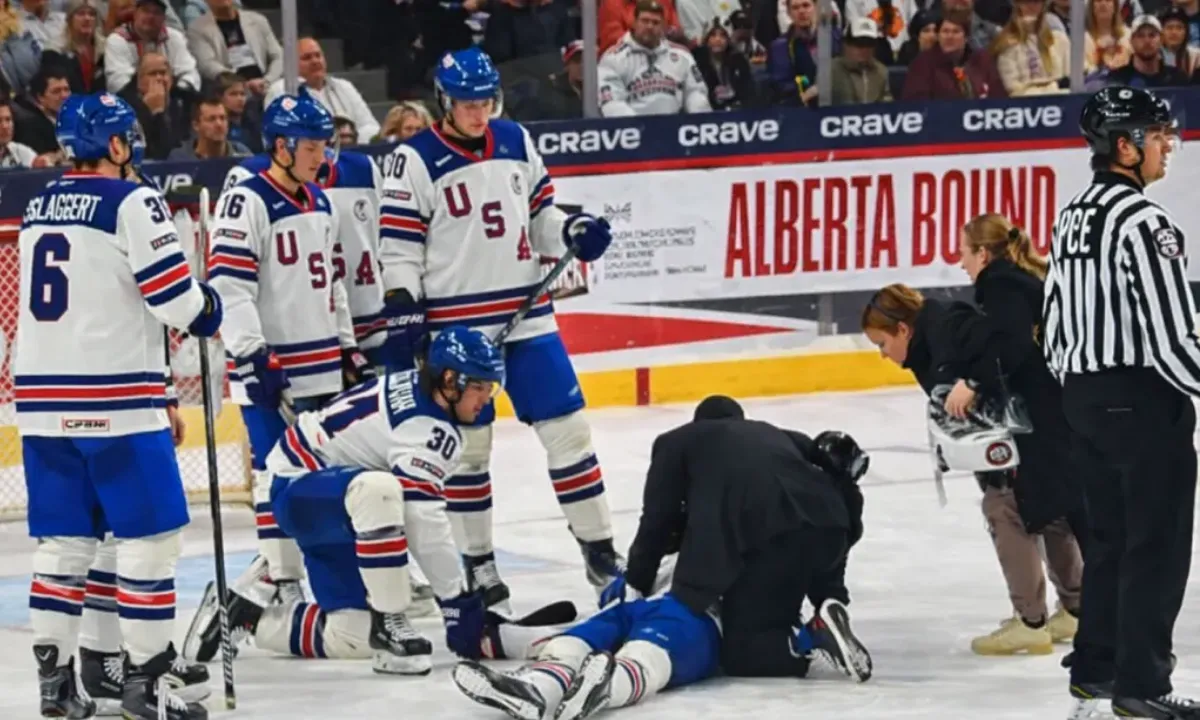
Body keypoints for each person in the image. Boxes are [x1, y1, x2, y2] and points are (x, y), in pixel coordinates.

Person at [377, 47, 620, 611]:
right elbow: (399, 250)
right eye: (466, 102)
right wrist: (406, 312)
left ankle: (599, 550)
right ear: (444, 101)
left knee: (569, 432)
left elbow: (541, 218)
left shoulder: (516, 140)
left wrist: (573, 230)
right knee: (469, 452)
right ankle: (479, 564)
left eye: (484, 100)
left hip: (526, 316)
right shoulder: (413, 160)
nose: (477, 112)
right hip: (459, 328)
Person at [452, 396, 872, 720]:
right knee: (617, 643)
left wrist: (633, 583)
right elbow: (839, 474)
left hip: (675, 606)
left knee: (618, 643)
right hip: (811, 536)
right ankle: (547, 688)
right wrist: (829, 587)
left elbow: (655, 522)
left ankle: (573, 684)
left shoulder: (684, 451)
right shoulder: (782, 438)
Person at [16, 91, 222, 720]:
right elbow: (174, 301)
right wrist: (211, 306)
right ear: (113, 144)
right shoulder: (133, 200)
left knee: (64, 547)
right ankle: (147, 683)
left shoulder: (36, 205)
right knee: (148, 542)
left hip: (43, 402)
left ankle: (56, 689)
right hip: (116, 400)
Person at [183, 328, 500, 674]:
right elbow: (423, 521)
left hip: (335, 501)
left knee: (350, 636)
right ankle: (390, 620)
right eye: (479, 388)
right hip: (301, 489)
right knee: (381, 491)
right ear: (451, 381)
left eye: (490, 387)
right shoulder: (425, 427)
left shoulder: (425, 393)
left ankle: (241, 614)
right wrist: (455, 602)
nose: (486, 399)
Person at [1046, 86, 1200, 720]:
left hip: (1084, 400)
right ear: (1126, 146)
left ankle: (1097, 670)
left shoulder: (1073, 213)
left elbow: (1053, 322)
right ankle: (1144, 683)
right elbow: (1173, 336)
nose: (1170, 145)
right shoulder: (1146, 223)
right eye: (1158, 134)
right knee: (1155, 549)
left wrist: (1080, 392)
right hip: (1142, 404)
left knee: (1109, 543)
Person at [861, 276, 1085, 657]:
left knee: (1004, 508)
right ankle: (1078, 610)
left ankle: (1031, 622)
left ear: (902, 329)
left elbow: (1000, 353)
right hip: (1041, 422)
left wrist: (973, 382)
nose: (883, 354)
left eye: (883, 344)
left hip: (1032, 426)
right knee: (1048, 509)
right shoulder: (935, 334)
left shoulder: (946, 330)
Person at [207, 87, 371, 607]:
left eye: (324, 144)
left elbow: (333, 284)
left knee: (323, 476)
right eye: (311, 146)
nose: (322, 155)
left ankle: (335, 575)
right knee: (274, 474)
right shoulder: (247, 199)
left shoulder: (319, 200)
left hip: (322, 368)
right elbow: (229, 284)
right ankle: (280, 577)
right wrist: (253, 355)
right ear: (281, 146)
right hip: (272, 369)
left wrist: (347, 347)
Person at [598, 0, 712, 117]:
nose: (650, 26)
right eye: (645, 21)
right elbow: (612, 103)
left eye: (655, 22)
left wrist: (700, 120)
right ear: (634, 23)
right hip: (634, 130)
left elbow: (696, 93)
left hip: (675, 127)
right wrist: (639, 128)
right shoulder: (613, 58)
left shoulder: (682, 56)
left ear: (664, 26)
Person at [991, 0, 1071, 96]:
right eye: (1026, 2)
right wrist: (1053, 87)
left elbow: (1071, 81)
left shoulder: (1060, 40)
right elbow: (1013, 89)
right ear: (1017, 4)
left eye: (1036, 2)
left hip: (1063, 102)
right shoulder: (1007, 45)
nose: (1031, 6)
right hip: (1024, 105)